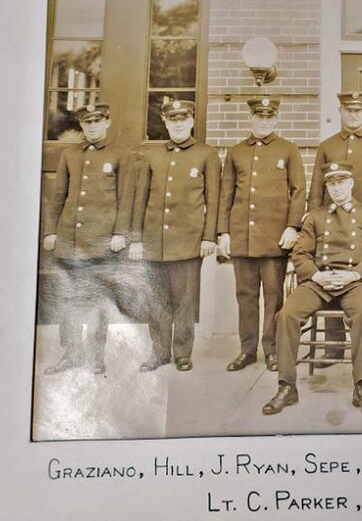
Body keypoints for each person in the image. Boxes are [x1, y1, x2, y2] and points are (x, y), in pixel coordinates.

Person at [262, 162, 362, 416]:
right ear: (326, 186)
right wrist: (317, 275)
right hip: (320, 281)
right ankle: (286, 386)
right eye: (332, 184)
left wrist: (353, 274)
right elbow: (301, 253)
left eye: (342, 182)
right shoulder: (315, 216)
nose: (337, 188)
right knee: (286, 315)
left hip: (354, 282)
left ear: (352, 183)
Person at [41, 102, 134, 375]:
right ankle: (71, 354)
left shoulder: (120, 155)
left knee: (97, 300)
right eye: (86, 122)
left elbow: (125, 198)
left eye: (97, 121)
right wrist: (50, 231)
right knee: (68, 299)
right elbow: (58, 196)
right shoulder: (70, 155)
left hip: (103, 241)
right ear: (81, 125)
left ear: (107, 122)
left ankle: (96, 357)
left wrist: (120, 233)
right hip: (70, 240)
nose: (92, 126)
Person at [129, 100, 221, 372]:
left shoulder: (207, 155)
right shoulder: (152, 156)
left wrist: (209, 237)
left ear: (192, 121)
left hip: (188, 242)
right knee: (157, 299)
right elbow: (140, 200)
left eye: (184, 118)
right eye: (173, 119)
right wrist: (136, 239)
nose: (179, 123)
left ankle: (182, 353)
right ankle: (159, 352)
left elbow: (213, 200)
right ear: (165, 122)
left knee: (185, 300)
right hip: (154, 242)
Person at [217, 97, 305, 372]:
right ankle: (247, 349)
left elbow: (299, 191)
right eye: (258, 117)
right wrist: (224, 232)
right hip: (242, 237)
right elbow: (226, 195)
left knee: (273, 296)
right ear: (251, 119)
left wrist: (292, 227)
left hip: (274, 238)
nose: (263, 122)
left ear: (276, 119)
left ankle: (272, 350)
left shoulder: (288, 150)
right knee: (245, 295)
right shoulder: (236, 152)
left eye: (269, 117)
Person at [308, 91, 362, 363]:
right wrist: (312, 218)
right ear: (341, 112)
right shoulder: (328, 145)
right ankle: (333, 346)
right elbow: (315, 188)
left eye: (358, 110)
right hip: (334, 222)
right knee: (333, 273)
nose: (353, 115)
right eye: (348, 110)